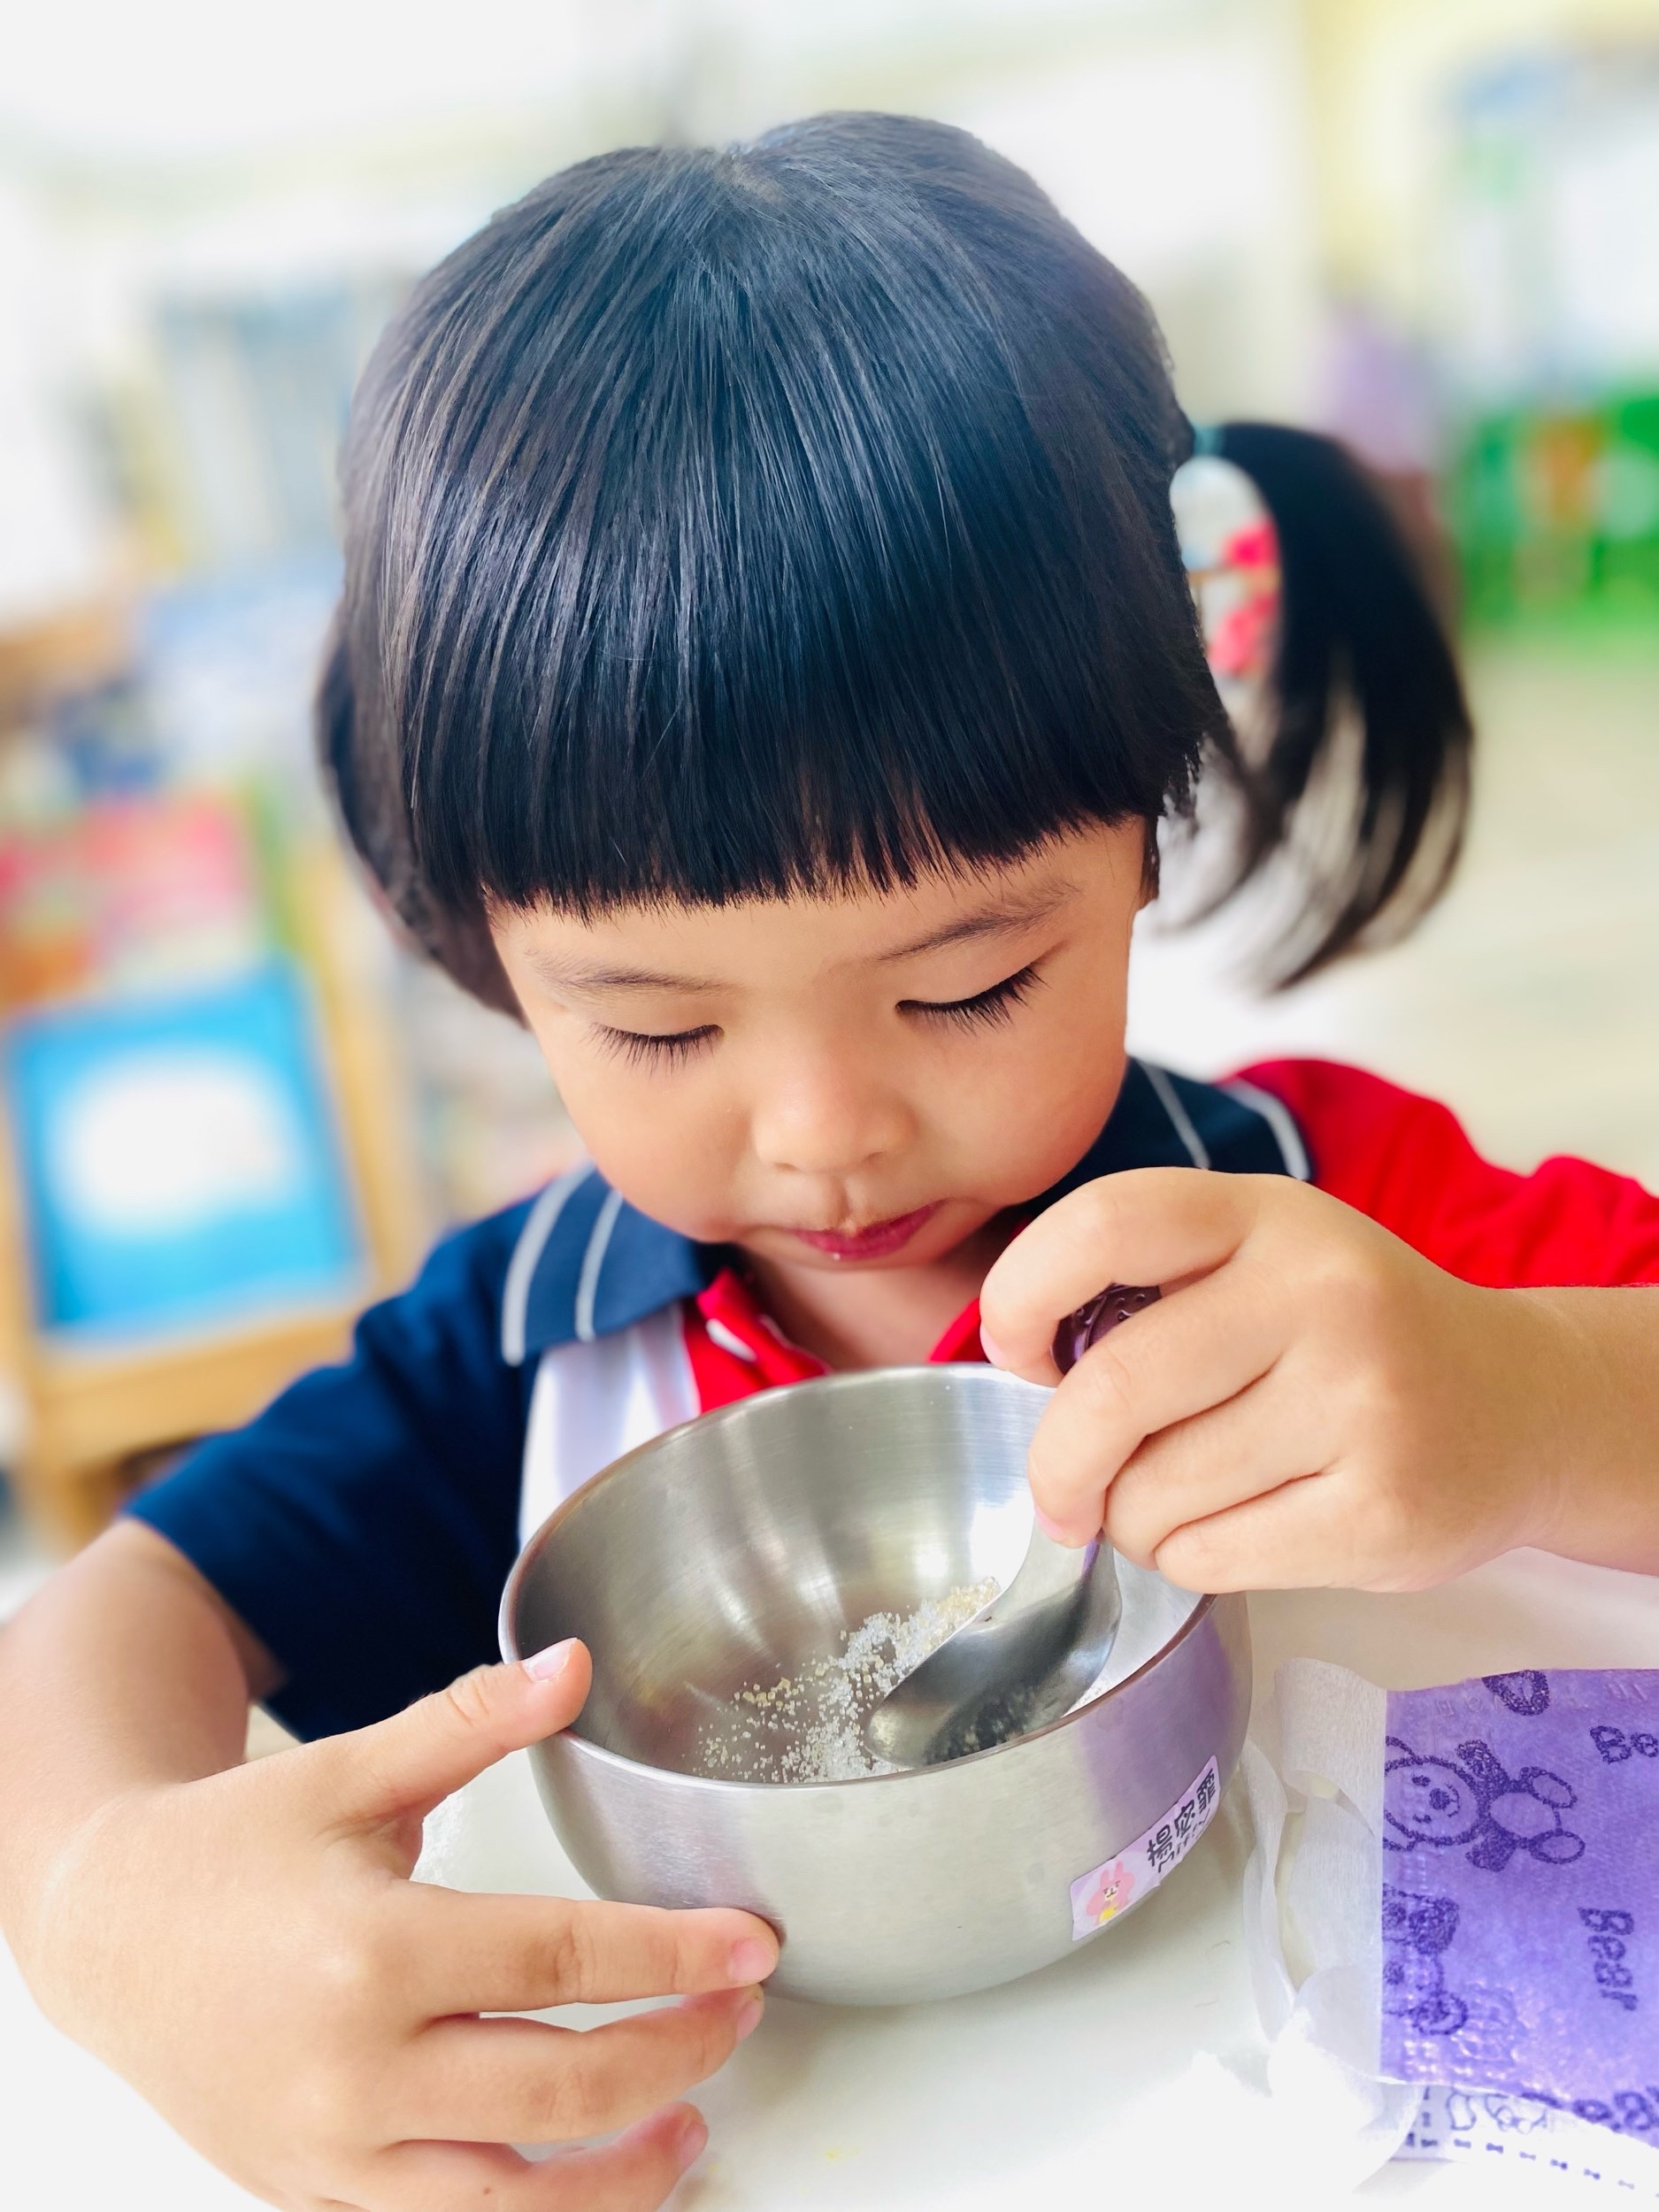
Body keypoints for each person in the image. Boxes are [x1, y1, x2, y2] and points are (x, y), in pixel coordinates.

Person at [3, 114, 1655, 2212]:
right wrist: (108, 1913)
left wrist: (1530, 1402)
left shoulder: (1317, 1214)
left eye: (965, 982)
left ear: (1146, 829)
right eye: (659, 1025)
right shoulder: (520, 1359)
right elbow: (104, 1620)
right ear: (484, 945)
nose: (822, 1130)